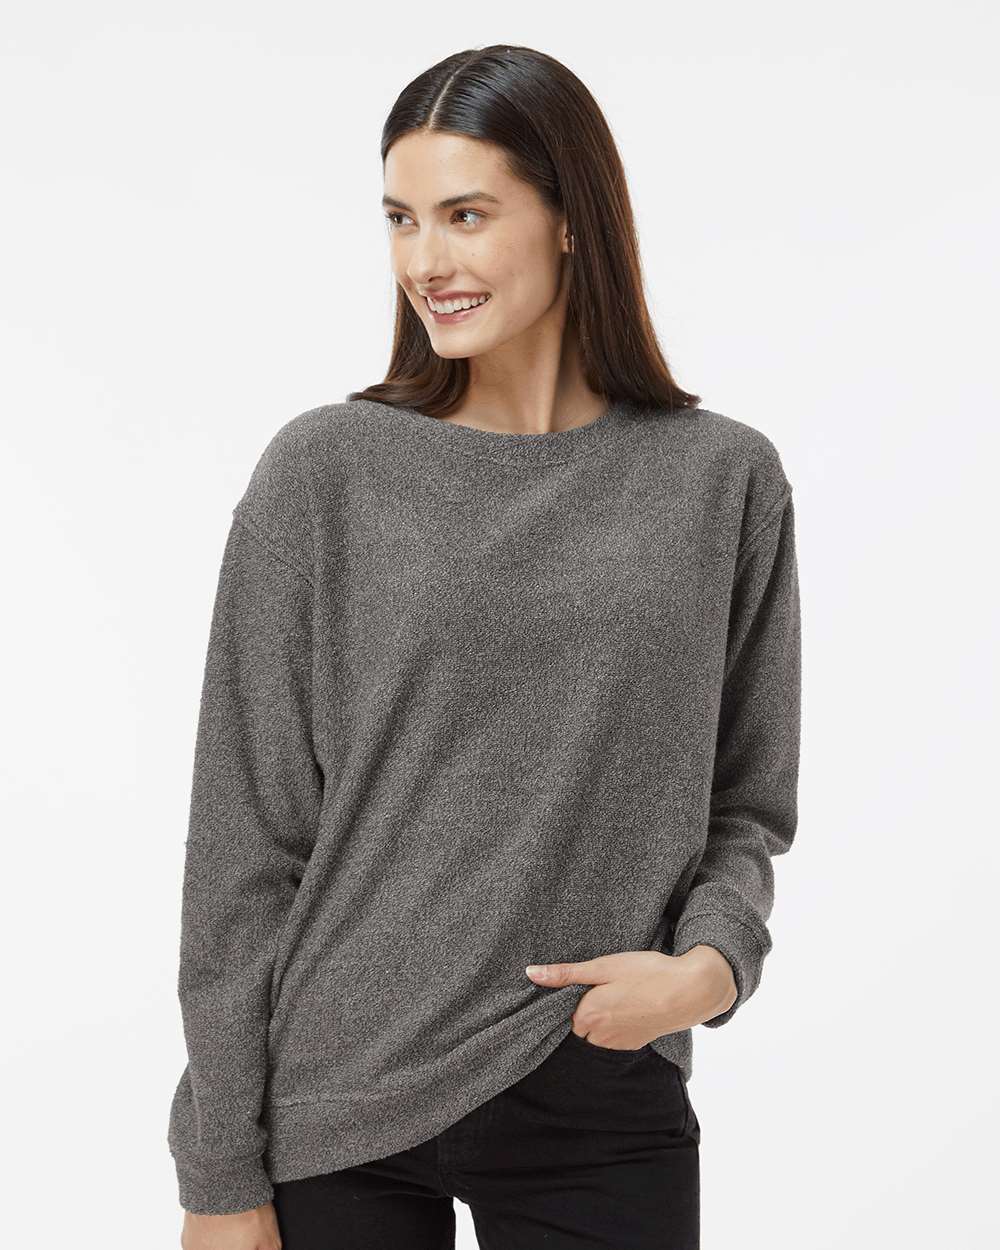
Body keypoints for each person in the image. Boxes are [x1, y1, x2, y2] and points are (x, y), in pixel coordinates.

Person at [167, 43, 802, 1250]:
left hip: (595, 1076)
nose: (425, 260)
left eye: (465, 215)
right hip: (334, 1096)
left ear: (570, 219)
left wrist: (710, 967)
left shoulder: (720, 480)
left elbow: (747, 798)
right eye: (400, 219)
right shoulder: (323, 473)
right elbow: (244, 849)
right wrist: (217, 1168)